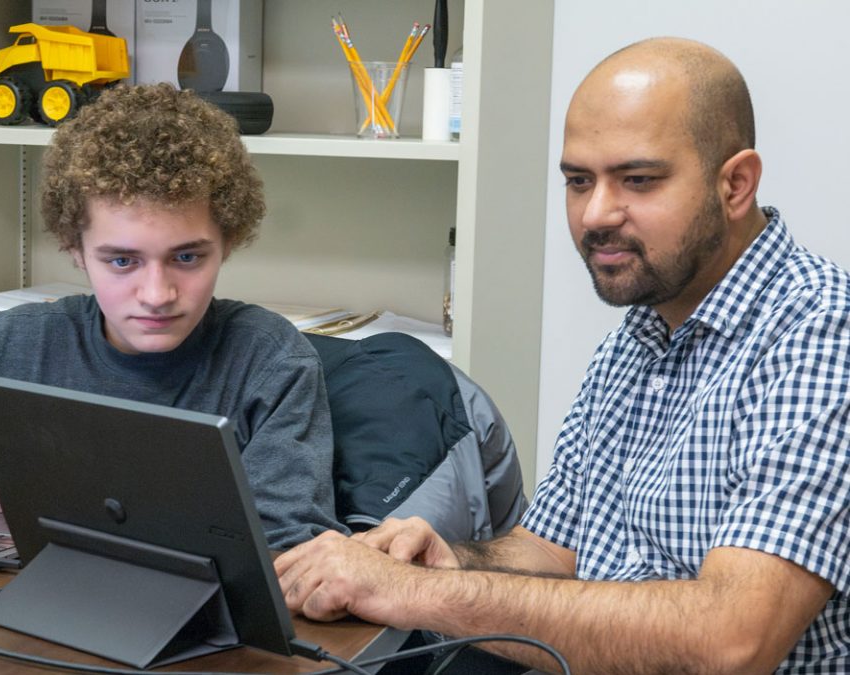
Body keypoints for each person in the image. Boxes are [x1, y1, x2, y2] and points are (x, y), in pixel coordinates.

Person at [275, 37, 850, 674]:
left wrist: (412, 592)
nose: (594, 214)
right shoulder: (639, 335)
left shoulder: (822, 334)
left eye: (637, 179)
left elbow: (731, 642)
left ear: (735, 183)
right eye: (578, 181)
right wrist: (443, 557)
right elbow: (553, 548)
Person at [0, 83, 347, 550]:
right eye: (122, 261)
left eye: (187, 259)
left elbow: (291, 548)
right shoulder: (12, 347)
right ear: (76, 250)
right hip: (25, 596)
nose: (157, 295)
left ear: (228, 243)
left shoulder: (270, 361)